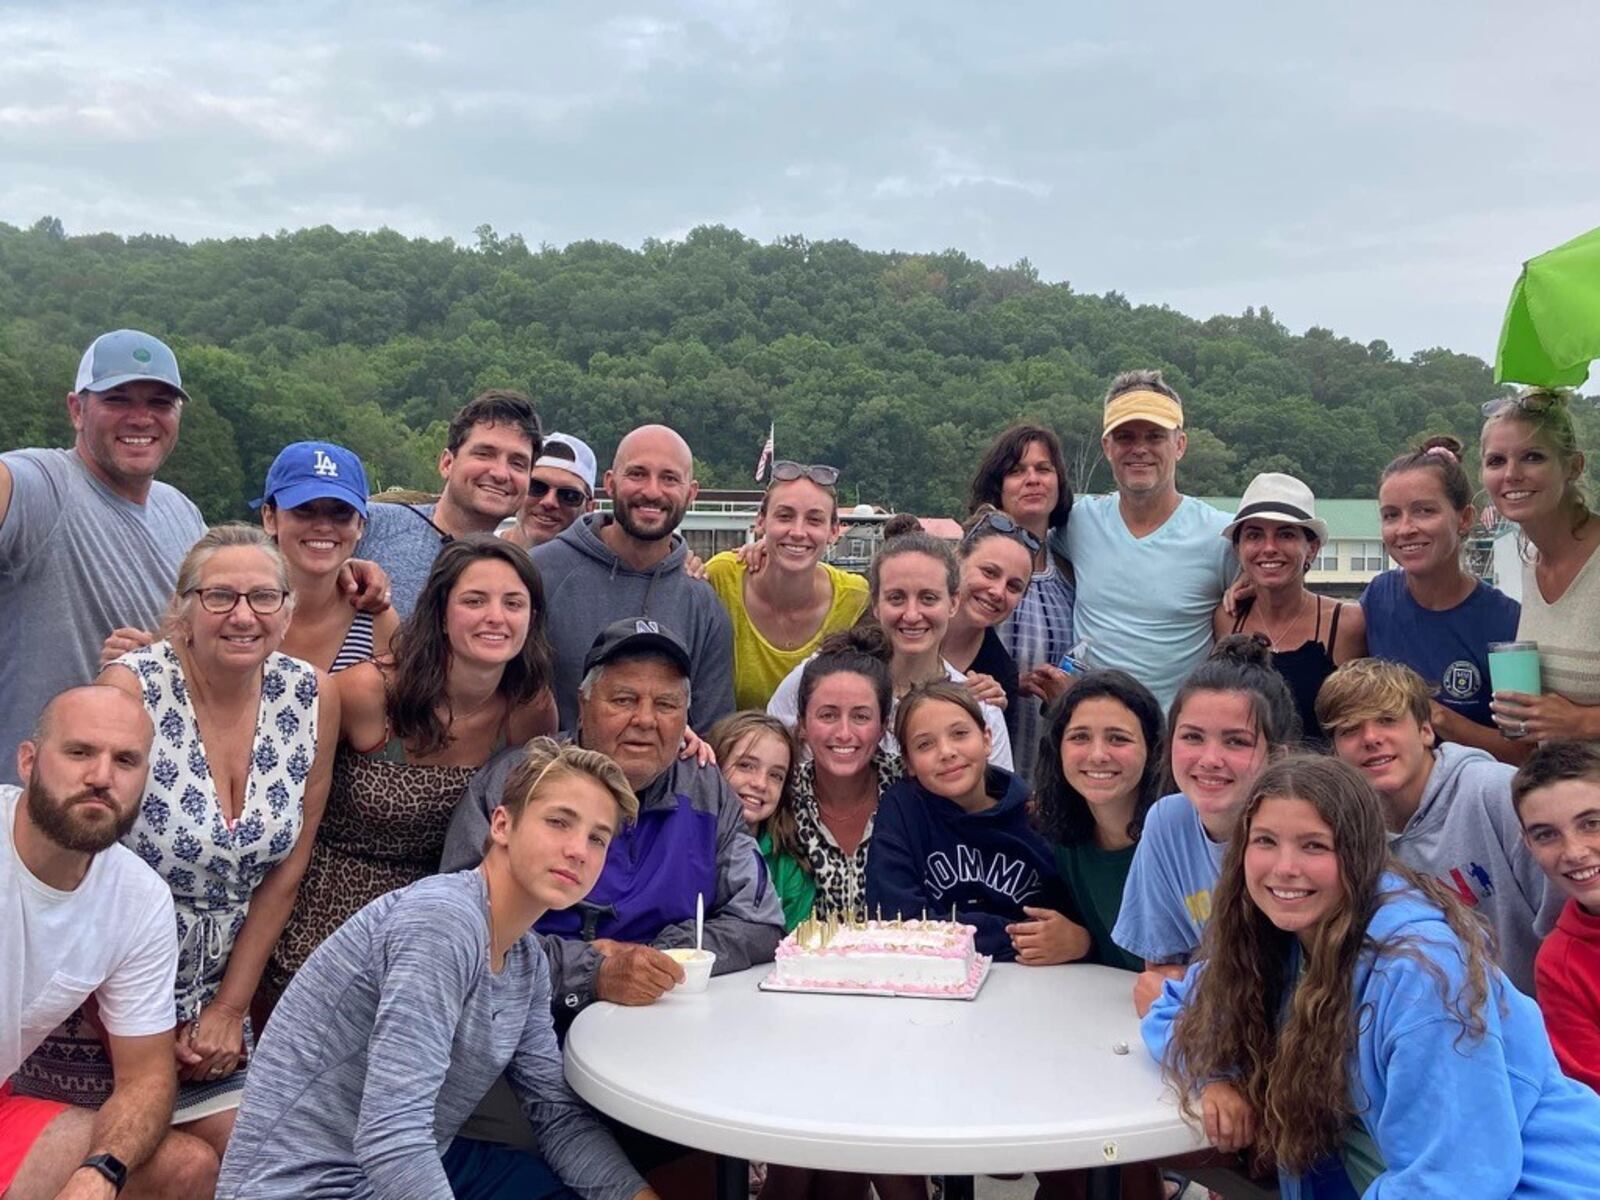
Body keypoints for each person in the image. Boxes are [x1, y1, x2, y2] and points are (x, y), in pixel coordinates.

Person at [14, 525, 337, 1159]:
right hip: (99, 998)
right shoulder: (131, 689)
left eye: (264, 597)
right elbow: (85, 860)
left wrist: (228, 1009)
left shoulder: (311, 695)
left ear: (288, 610)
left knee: (269, 1157)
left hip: (220, 999)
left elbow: (288, 867)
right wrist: (139, 1036)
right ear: (182, 609)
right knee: (162, 1167)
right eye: (219, 596)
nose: (243, 615)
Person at [216, 739, 658, 1200]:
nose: (577, 850)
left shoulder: (525, 961)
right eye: (558, 822)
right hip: (307, 1184)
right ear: (502, 826)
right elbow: (391, 1137)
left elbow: (558, 1116)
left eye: (597, 838)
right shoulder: (442, 922)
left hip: (417, 1159)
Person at [1143, 755, 1600, 1198]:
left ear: (1360, 855)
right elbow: (1171, 1009)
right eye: (1265, 841)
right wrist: (1216, 1077)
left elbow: (1456, 1179)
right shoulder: (1273, 938)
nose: (1285, 867)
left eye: (1314, 845)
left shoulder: (1420, 973)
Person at [263, 535, 556, 1006]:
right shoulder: (367, 692)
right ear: (441, 613)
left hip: (436, 933)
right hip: (323, 921)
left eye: (513, 603)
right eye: (474, 600)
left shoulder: (528, 711)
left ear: (532, 618)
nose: (495, 617)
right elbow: (287, 820)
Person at [3, 686, 219, 1198]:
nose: (101, 777)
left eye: (125, 760)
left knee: (185, 1170)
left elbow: (146, 1079)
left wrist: (100, 1173)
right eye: (79, 752)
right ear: (28, 762)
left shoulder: (138, 900)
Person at [0, 330, 207, 787]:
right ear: (77, 409)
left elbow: (220, 630)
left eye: (159, 402)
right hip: (31, 810)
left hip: (141, 806)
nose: (141, 417)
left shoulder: (183, 512)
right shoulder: (42, 485)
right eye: (118, 399)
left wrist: (153, 656)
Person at [1317, 657, 1557, 994]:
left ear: (1426, 730)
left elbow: (1567, 921)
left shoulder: (1495, 793)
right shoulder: (1344, 836)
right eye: (1349, 729)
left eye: (1387, 720)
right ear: (1335, 752)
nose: (1370, 738)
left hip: (1537, 1020)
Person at [1112, 636, 1300, 1012]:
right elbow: (1160, 970)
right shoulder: (1168, 821)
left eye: (1236, 742)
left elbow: (1289, 991)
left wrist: (1187, 996)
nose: (1210, 759)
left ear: (1277, 757)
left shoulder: (1300, 839)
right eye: (1193, 737)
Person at [1048, 370, 1235, 711]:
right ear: (1107, 447)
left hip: (1175, 744)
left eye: (1154, 436)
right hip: (1094, 734)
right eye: (1125, 437)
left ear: (1179, 445)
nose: (1139, 449)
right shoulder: (1078, 522)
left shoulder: (1220, 536)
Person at [533, 424, 736, 732]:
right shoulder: (540, 575)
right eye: (637, 474)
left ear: (691, 493)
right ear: (610, 484)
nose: (652, 491)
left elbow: (712, 734)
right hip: (553, 773)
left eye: (669, 478)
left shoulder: (702, 603)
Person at [866, 681, 1082, 963]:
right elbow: (895, 921)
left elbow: (1069, 926)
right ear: (908, 762)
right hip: (930, 981)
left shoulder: (1036, 816)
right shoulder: (902, 811)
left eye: (959, 734)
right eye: (924, 744)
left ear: (987, 739)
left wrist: (1081, 941)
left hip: (1031, 982)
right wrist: (1011, 935)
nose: (946, 751)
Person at [767, 532, 1013, 769]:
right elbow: (769, 755)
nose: (912, 614)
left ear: (953, 602)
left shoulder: (979, 707)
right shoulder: (819, 677)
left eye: (928, 598)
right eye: (896, 598)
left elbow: (998, 804)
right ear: (876, 605)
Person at [1362, 434, 1525, 762]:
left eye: (1424, 511)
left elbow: (1525, 752)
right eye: (1391, 515)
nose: (1405, 529)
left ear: (1464, 519)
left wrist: (1440, 717)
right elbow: (1322, 621)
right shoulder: (1378, 597)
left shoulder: (1509, 622)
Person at [1479, 388, 1600, 745]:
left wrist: (1583, 722)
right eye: (1496, 461)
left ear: (1573, 467)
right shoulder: (1532, 562)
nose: (1511, 474)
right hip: (1560, 790)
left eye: (1532, 457)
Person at [357, 389, 541, 618]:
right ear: (446, 463)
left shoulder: (516, 572)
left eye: (518, 463)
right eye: (484, 454)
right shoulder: (370, 525)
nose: (501, 473)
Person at [1214, 472, 1365, 746]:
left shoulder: (1345, 624)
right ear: (1238, 549)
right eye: (1254, 535)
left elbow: (1358, 722)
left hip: (1319, 782)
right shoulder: (1227, 619)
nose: (1269, 548)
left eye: (1285, 534)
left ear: (1312, 548)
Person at [705, 461, 869, 711]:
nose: (798, 531)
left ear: (834, 530)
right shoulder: (722, 579)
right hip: (732, 747)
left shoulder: (855, 598)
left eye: (814, 520)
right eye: (785, 516)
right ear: (761, 521)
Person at [1034, 669, 1167, 972]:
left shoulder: (1179, 842)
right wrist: (1084, 942)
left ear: (1153, 749)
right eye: (1080, 737)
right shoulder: (1064, 841)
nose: (1097, 755)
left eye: (1118, 738)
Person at [966, 425, 1076, 779]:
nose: (1032, 479)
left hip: (1051, 770)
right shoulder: (970, 571)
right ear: (998, 486)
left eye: (1043, 469)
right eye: (1016, 471)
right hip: (978, 769)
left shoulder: (1071, 575)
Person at [778, 626, 906, 922]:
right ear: (802, 725)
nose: (844, 733)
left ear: (884, 724)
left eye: (861, 716)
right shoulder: (779, 796)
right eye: (828, 715)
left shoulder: (913, 795)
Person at [255, 440, 399, 671]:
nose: (323, 526)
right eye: (304, 508)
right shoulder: (236, 611)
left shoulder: (376, 620)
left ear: (360, 525)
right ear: (270, 518)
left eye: (341, 512)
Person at [1514, 741, 1600, 1092]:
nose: (1574, 852)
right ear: (1528, 844)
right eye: (1547, 835)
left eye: (1591, 823)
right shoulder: (1559, 966)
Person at [707, 711, 813, 931]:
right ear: (713, 766)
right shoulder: (683, 845)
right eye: (746, 765)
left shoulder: (789, 867)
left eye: (776, 775)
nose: (760, 784)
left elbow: (793, 947)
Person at [943, 509, 1034, 744]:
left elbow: (995, 774)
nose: (997, 592)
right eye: (989, 572)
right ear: (958, 560)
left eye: (1013, 587)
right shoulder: (905, 628)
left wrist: (991, 718)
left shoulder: (1000, 673)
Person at [502, 431, 599, 550]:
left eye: (569, 495)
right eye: (536, 487)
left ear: (589, 508)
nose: (549, 502)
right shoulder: (480, 552)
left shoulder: (596, 567)